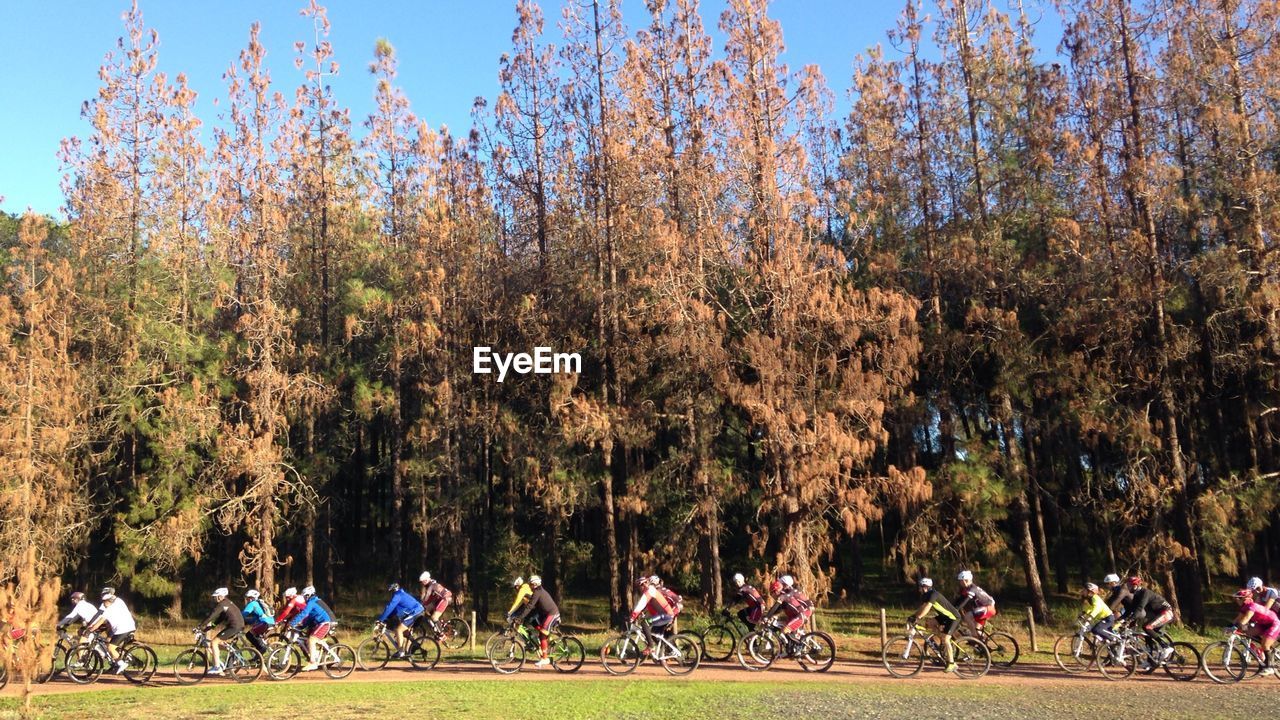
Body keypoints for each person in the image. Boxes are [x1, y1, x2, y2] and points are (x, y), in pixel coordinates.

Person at [907, 578, 960, 673]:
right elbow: (922, 607)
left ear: (926, 587)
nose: (920, 589)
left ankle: (952, 663)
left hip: (953, 617)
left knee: (946, 638)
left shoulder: (933, 594)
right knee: (930, 622)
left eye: (922, 587)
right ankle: (941, 641)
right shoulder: (926, 595)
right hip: (944, 616)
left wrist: (918, 618)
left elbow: (927, 607)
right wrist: (914, 616)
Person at [1119, 575, 1175, 659]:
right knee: (1147, 633)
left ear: (1136, 585)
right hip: (1158, 614)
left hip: (1166, 612)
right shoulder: (1137, 595)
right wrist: (1120, 619)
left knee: (1147, 627)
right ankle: (1151, 660)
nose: (1128, 587)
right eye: (1128, 585)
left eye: (1130, 586)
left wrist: (1130, 620)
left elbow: (1139, 608)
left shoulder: (1145, 593)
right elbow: (1131, 609)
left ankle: (1166, 646)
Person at [1229, 587, 1280, 676]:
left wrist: (1236, 626)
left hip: (1274, 623)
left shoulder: (1251, 606)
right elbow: (1238, 619)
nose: (1236, 600)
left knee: (1265, 643)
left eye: (1239, 598)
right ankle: (1262, 653)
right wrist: (1229, 626)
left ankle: (1270, 667)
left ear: (1246, 598)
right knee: (1246, 632)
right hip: (1263, 624)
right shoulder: (1244, 608)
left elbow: (1246, 618)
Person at [85, 590, 137, 674]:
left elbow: (100, 621)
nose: (103, 603)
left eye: (103, 601)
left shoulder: (109, 609)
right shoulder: (119, 601)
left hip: (123, 629)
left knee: (110, 647)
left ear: (107, 601)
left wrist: (90, 629)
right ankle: (116, 660)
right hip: (126, 627)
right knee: (109, 642)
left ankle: (121, 663)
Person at [514, 575, 560, 667]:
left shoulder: (537, 593)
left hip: (552, 614)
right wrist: (519, 615)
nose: (529, 586)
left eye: (530, 584)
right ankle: (544, 643)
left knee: (542, 635)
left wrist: (520, 618)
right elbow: (528, 606)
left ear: (535, 584)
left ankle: (545, 658)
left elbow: (530, 606)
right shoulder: (536, 592)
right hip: (545, 614)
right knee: (534, 624)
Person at [200, 587, 245, 675]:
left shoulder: (222, 604)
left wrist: (200, 625)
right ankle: (232, 653)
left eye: (215, 597)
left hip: (234, 627)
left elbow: (212, 616)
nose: (214, 598)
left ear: (220, 597)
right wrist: (210, 627)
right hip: (237, 626)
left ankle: (217, 667)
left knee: (214, 642)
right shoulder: (227, 603)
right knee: (217, 643)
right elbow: (220, 618)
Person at [289, 587, 333, 672]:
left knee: (312, 639)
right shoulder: (312, 602)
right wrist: (301, 626)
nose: (304, 598)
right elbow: (309, 617)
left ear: (309, 595)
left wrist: (292, 623)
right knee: (307, 640)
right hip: (319, 623)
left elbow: (304, 613)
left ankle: (313, 663)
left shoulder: (312, 602)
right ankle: (315, 655)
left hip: (324, 623)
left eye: (305, 596)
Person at [376, 583, 424, 657]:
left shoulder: (398, 595)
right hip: (417, 611)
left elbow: (389, 607)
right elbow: (394, 610)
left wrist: (381, 619)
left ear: (394, 590)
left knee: (399, 630)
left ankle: (401, 652)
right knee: (403, 631)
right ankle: (415, 645)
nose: (391, 594)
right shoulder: (401, 594)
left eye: (391, 592)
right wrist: (384, 618)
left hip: (415, 612)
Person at [630, 576, 677, 643]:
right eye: (638, 586)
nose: (640, 588)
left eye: (640, 585)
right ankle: (668, 651)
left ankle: (651, 647)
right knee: (653, 635)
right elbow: (645, 606)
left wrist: (632, 617)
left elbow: (641, 604)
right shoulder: (648, 591)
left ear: (645, 583)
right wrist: (639, 613)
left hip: (666, 615)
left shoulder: (650, 591)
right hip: (663, 615)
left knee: (644, 623)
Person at [1079, 582, 1122, 656]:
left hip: (1108, 618)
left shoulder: (1095, 598)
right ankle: (1112, 653)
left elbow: (1097, 608)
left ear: (1090, 591)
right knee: (1096, 631)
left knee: (1096, 629)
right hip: (1104, 618)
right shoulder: (1090, 599)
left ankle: (1114, 640)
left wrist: (1091, 617)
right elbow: (1089, 608)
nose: (1082, 591)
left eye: (1084, 590)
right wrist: (1083, 613)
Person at [954, 570, 996, 634]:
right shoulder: (965, 589)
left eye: (966, 580)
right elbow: (959, 600)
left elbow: (966, 600)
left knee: (967, 616)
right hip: (984, 609)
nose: (964, 583)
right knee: (977, 629)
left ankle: (974, 638)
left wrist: (957, 609)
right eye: (961, 581)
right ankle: (981, 642)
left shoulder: (973, 589)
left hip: (988, 608)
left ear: (970, 580)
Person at [241, 589, 275, 655]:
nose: (247, 600)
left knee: (249, 635)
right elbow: (256, 618)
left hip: (265, 623)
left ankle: (261, 650)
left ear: (251, 598)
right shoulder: (259, 603)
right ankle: (259, 652)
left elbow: (243, 614)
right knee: (256, 638)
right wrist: (246, 621)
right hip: (270, 622)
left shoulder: (252, 604)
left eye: (248, 598)